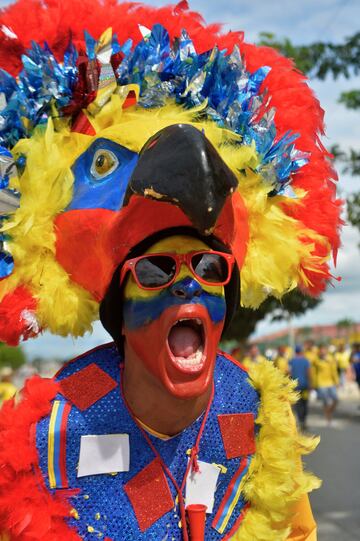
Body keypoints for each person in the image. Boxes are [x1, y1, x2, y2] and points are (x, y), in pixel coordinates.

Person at [0, 0, 343, 539]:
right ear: (122, 305)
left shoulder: (254, 413)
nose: (187, 283)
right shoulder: (50, 425)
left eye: (209, 266)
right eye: (156, 270)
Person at [314, 345, 339, 424]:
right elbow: (314, 372)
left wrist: (337, 381)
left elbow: (334, 371)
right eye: (320, 351)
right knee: (325, 402)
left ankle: (329, 412)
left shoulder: (331, 359)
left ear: (326, 351)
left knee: (336, 399)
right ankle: (328, 417)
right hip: (321, 383)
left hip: (331, 382)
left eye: (323, 350)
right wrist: (314, 384)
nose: (322, 352)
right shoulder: (316, 360)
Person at [288, 345, 311, 431]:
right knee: (305, 403)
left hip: (295, 386)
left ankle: (300, 421)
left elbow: (289, 373)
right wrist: (310, 384)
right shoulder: (306, 361)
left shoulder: (292, 361)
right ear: (301, 351)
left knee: (298, 404)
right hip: (305, 385)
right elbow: (308, 373)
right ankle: (304, 421)